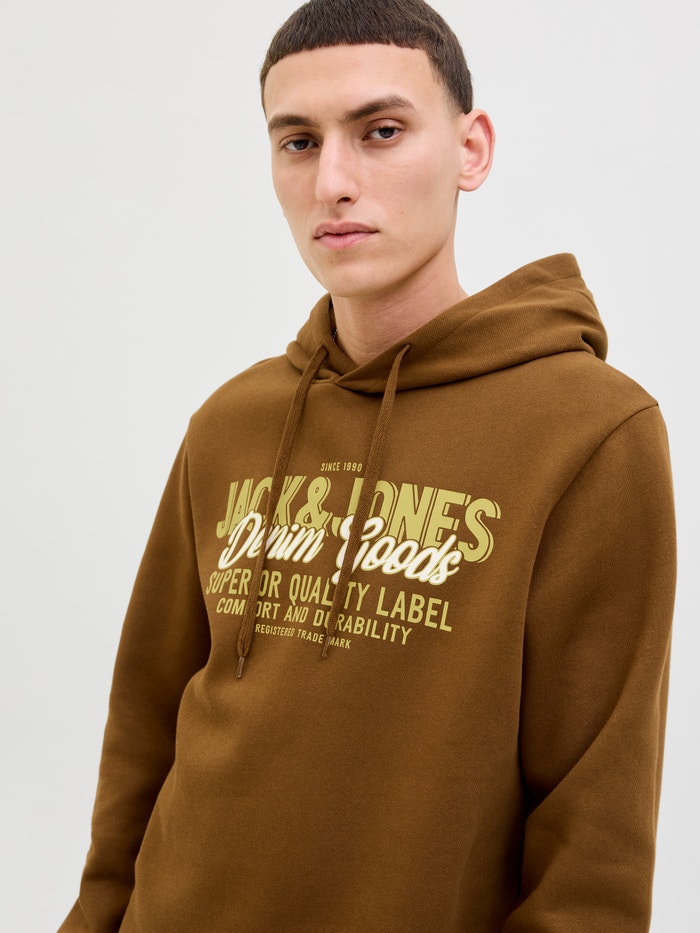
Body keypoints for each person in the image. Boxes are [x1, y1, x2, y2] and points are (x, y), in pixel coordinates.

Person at [59, 0, 676, 929]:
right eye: (298, 142)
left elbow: (595, 839)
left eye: (381, 131)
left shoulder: (591, 431)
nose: (333, 182)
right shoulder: (231, 422)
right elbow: (142, 737)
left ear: (470, 149)